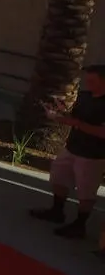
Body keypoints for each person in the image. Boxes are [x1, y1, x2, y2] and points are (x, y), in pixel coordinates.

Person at [30, 65, 105, 240]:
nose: (88, 84)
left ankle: (80, 225)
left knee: (86, 190)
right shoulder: (85, 96)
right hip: (72, 147)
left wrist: (75, 123)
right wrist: (61, 111)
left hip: (92, 155)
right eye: (88, 80)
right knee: (59, 177)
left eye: (93, 81)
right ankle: (57, 211)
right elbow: (75, 116)